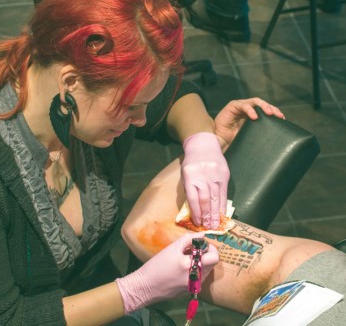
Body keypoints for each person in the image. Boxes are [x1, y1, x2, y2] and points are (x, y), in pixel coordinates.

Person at [0, 0, 283, 324]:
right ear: (69, 82)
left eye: (143, 105)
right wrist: (135, 290)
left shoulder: (79, 107)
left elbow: (173, 99)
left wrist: (202, 141)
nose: (141, 119)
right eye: (130, 107)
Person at [121, 98, 346, 324]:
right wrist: (208, 145)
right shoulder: (326, 281)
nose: (139, 120)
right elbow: (155, 228)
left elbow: (150, 228)